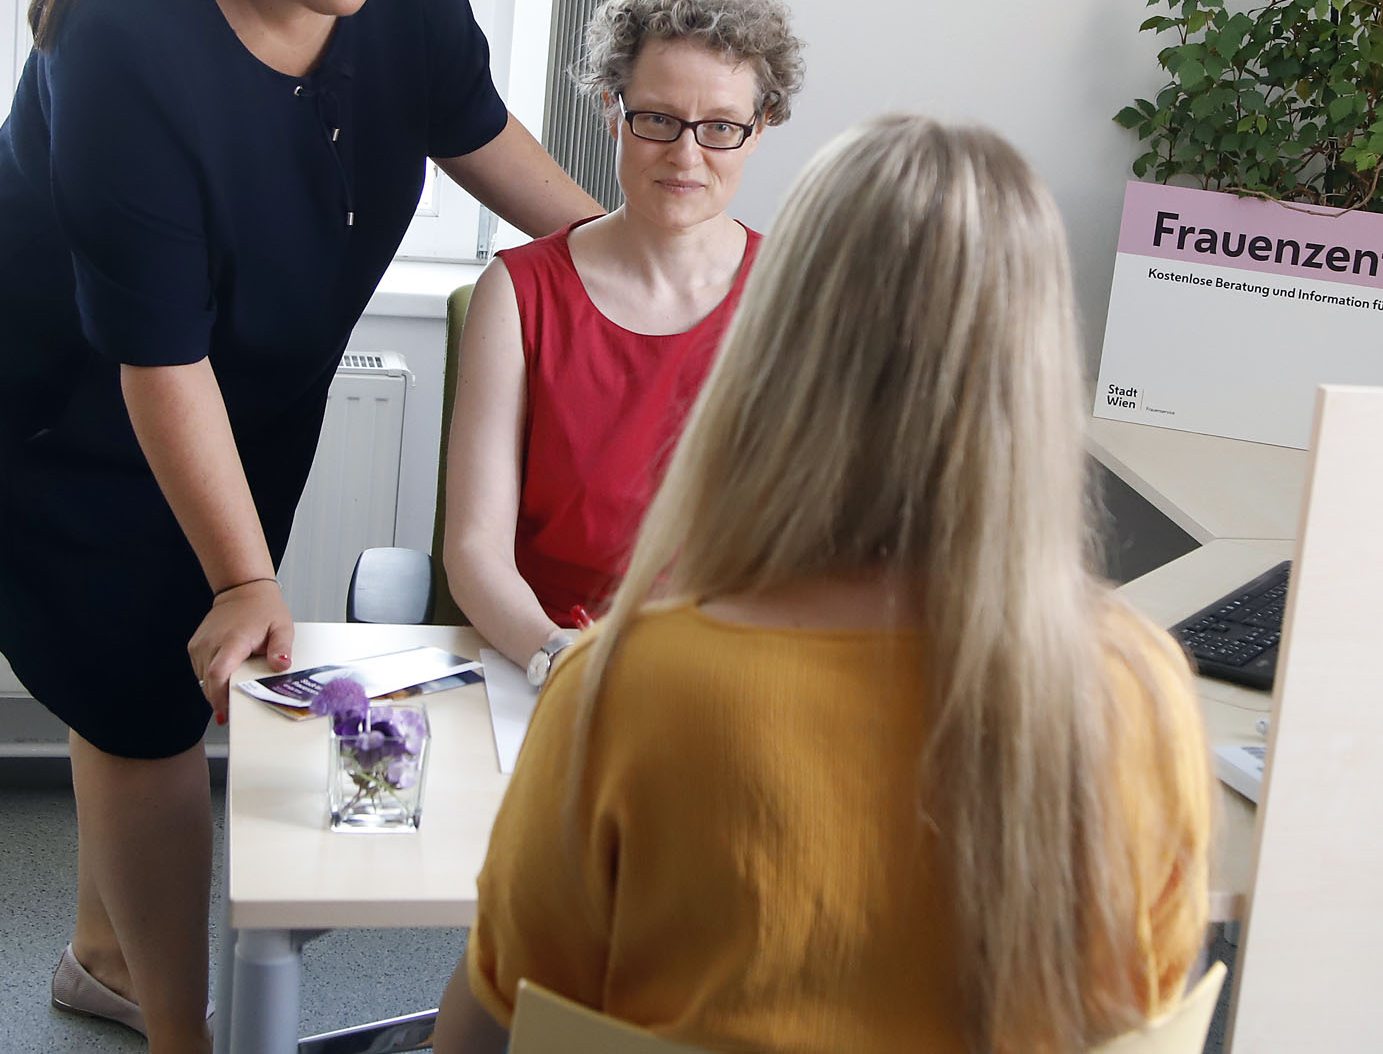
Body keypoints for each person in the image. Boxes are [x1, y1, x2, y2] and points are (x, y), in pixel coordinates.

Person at [0, 0, 597, 1053]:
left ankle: (104, 954)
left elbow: (475, 130)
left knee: (149, 682)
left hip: (241, 377)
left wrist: (635, 267)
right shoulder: (125, 36)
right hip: (69, 399)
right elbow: (155, 359)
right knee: (141, 698)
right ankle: (184, 1030)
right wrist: (244, 578)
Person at [432, 118, 1215, 1053]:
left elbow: (492, 1029)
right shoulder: (1141, 688)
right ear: (1039, 368)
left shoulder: (621, 689)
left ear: (778, 345)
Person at [442, 0, 803, 677]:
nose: (686, 156)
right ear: (613, 109)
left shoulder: (799, 296)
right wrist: (559, 660)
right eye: (658, 119)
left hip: (730, 670)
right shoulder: (516, 294)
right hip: (551, 661)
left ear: (758, 128)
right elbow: (474, 551)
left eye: (721, 127)